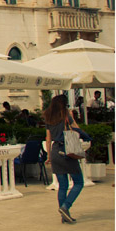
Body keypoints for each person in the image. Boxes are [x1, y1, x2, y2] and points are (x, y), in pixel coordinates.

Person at [44, 94, 85, 223]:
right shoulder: (66, 115)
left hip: (55, 151)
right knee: (78, 182)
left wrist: (49, 156)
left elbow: (48, 139)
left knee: (62, 186)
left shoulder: (48, 117)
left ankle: (64, 216)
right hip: (67, 151)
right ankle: (65, 207)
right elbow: (77, 129)